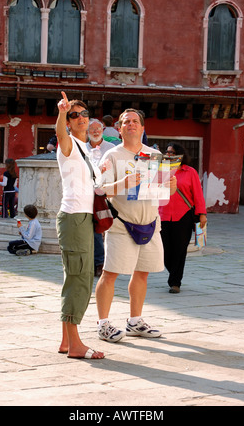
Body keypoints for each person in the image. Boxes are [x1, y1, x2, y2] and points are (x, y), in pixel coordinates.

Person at [95, 109, 177, 342]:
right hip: (122, 223)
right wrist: (123, 182)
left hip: (150, 222)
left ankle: (134, 321)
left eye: (135, 122)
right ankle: (103, 324)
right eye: (126, 122)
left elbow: (162, 194)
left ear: (142, 128)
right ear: (120, 129)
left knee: (142, 273)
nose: (130, 125)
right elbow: (100, 190)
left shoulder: (154, 155)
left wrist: (170, 186)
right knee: (110, 274)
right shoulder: (112, 156)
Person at [55, 91, 104, 360]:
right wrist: (62, 113)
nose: (81, 118)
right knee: (80, 279)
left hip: (83, 218)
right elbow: (60, 135)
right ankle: (75, 344)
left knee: (75, 277)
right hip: (74, 218)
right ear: (70, 122)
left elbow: (96, 188)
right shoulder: (69, 143)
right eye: (75, 115)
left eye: (84, 114)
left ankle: (66, 341)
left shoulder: (86, 149)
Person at [159, 143, 207, 293]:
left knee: (180, 250)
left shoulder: (190, 172)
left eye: (172, 152)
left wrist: (202, 214)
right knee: (164, 250)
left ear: (180, 155)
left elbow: (198, 194)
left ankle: (175, 282)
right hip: (163, 215)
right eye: (167, 152)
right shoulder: (160, 171)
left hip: (184, 215)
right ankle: (174, 272)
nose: (169, 155)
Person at [87, 119, 115, 278]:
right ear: (87, 131)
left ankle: (102, 262)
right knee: (93, 229)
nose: (96, 131)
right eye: (92, 129)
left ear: (103, 130)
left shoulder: (110, 149)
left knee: (104, 227)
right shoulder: (83, 148)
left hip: (106, 194)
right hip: (87, 194)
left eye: (98, 128)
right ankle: (97, 262)